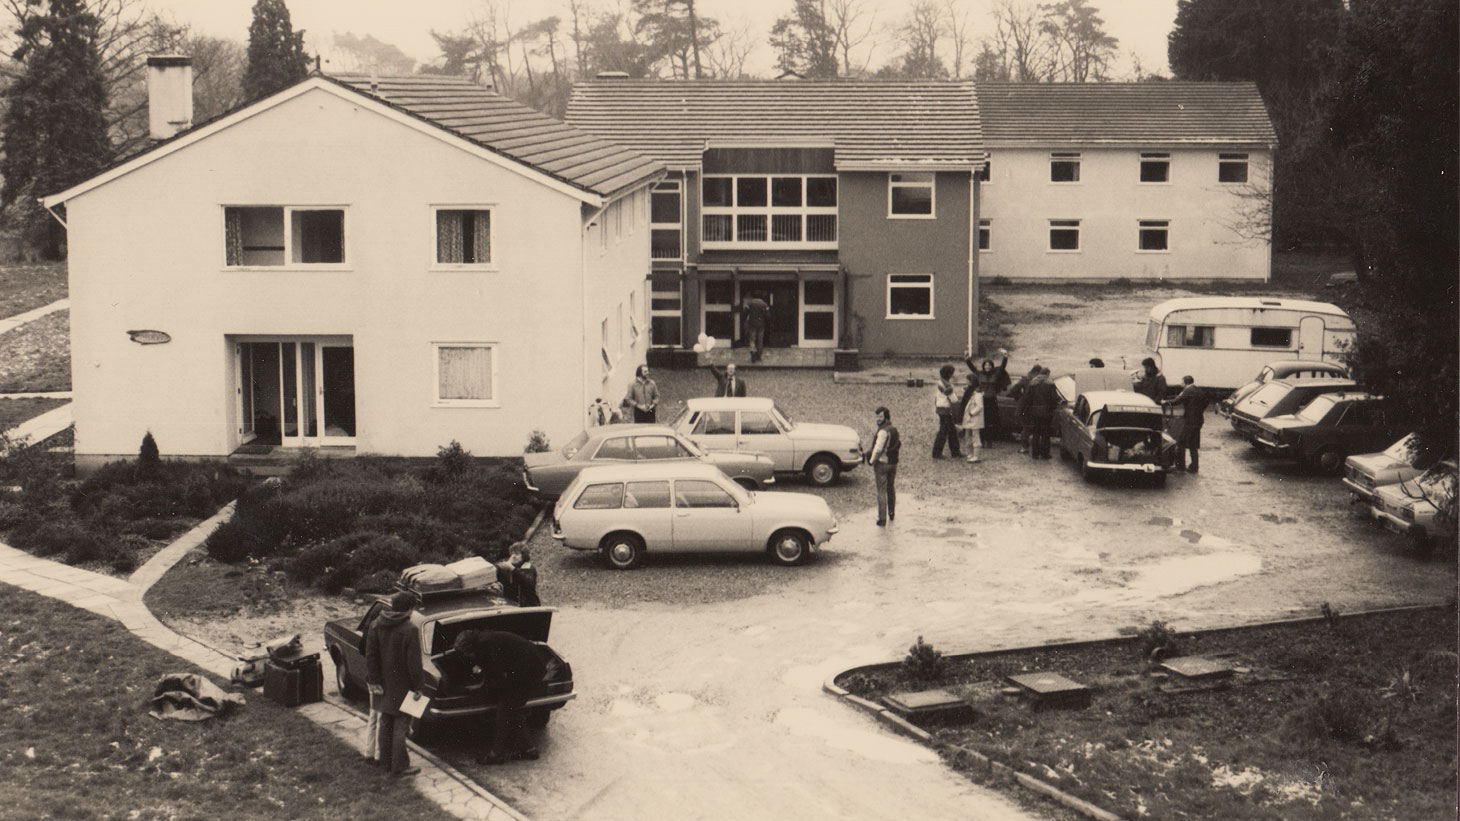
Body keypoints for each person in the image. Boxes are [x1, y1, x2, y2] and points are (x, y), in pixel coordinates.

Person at [452, 629, 549, 765]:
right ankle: (529, 750)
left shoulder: (486, 647)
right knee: (512, 709)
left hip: (528, 670)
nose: (467, 656)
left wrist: (479, 688)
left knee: (505, 710)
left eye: (466, 653)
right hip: (530, 664)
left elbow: (496, 675)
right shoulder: (483, 640)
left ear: (470, 647)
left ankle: (496, 755)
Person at [365, 592, 423, 778]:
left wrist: (374, 681)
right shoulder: (410, 629)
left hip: (381, 683)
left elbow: (371, 656)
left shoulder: (376, 624)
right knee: (401, 726)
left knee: (385, 722)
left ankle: (385, 763)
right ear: (409, 609)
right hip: (402, 684)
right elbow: (414, 663)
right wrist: (418, 686)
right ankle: (400, 766)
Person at [1166, 375, 1209, 473]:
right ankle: (1194, 466)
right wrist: (1199, 410)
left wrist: (1166, 402)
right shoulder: (1199, 390)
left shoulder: (1188, 391)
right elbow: (1207, 401)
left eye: (1182, 382)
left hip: (1190, 421)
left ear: (1186, 382)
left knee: (1181, 442)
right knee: (1193, 444)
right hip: (1198, 420)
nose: (1181, 384)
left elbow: (1177, 401)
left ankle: (1180, 467)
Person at [967, 348, 1010, 447]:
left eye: (989, 365)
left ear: (992, 366)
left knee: (991, 421)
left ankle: (989, 441)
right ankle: (981, 440)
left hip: (992, 400)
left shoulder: (996, 374)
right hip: (981, 400)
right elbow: (972, 368)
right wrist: (967, 359)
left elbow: (1003, 366)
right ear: (983, 366)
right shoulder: (979, 374)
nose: (988, 367)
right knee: (981, 420)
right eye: (986, 365)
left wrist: (1005, 356)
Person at [867, 406, 900, 526]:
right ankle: (891, 513)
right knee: (891, 488)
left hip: (882, 464)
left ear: (885, 417)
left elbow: (878, 449)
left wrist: (871, 460)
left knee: (881, 491)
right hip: (893, 463)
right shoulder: (893, 429)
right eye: (877, 416)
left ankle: (882, 519)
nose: (878, 419)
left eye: (880, 416)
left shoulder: (882, 431)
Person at [1019, 366, 1060, 459]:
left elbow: (1027, 398)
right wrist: (1052, 409)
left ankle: (1035, 453)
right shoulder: (1050, 383)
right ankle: (1045, 454)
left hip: (1034, 412)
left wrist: (1029, 410)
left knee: (1036, 433)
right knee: (1045, 434)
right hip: (1046, 413)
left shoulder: (1032, 383)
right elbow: (1054, 399)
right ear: (1047, 374)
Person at [931, 364, 962, 459]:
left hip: (940, 408)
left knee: (951, 431)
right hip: (946, 410)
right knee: (944, 432)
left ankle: (955, 451)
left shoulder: (940, 382)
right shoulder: (948, 385)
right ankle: (937, 453)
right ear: (949, 374)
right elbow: (954, 400)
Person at [742, 294, 770, 362]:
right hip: (761, 324)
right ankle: (759, 356)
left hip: (752, 324)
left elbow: (745, 313)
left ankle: (753, 352)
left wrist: (745, 320)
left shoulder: (750, 303)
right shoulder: (764, 304)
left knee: (752, 339)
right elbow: (768, 316)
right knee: (760, 340)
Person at [959, 386, 984, 463]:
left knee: (975, 436)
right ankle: (970, 453)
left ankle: (976, 456)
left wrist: (971, 413)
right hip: (969, 419)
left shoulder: (978, 395)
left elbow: (979, 406)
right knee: (968, 436)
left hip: (975, 419)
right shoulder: (971, 394)